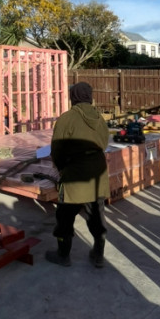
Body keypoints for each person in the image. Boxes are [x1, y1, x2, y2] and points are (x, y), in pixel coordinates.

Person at [46, 81, 110, 268]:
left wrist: (61, 168)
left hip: (74, 174)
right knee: (96, 214)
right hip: (97, 173)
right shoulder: (99, 118)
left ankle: (63, 255)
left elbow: (57, 148)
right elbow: (104, 143)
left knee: (64, 216)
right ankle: (98, 255)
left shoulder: (67, 118)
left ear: (73, 96)